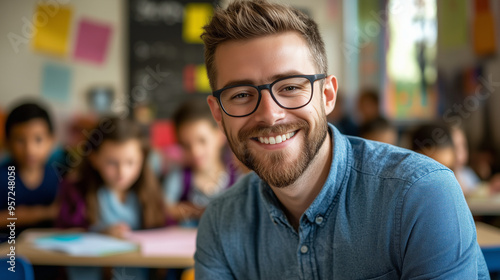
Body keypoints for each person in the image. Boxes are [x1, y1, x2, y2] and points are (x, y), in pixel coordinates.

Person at [195, 1, 489, 279]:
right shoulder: (221, 224)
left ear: (327, 95)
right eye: (242, 95)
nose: (270, 116)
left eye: (291, 87)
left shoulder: (420, 195)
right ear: (218, 114)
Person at [56, 117, 165, 280]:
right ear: (94, 159)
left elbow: (163, 230)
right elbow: (63, 233)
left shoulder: (149, 191)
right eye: (112, 163)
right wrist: (100, 233)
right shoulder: (76, 192)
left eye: (131, 162)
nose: (122, 172)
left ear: (143, 159)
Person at [163, 99, 237, 226]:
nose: (195, 152)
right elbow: (164, 209)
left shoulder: (237, 176)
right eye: (186, 145)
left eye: (202, 141)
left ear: (220, 135)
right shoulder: (178, 178)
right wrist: (197, 211)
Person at [0, 102, 60, 242]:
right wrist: (43, 213)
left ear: (51, 141)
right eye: (20, 140)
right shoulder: (3, 177)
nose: (29, 149)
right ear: (7, 143)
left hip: (48, 256)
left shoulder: (58, 177)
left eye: (38, 139)